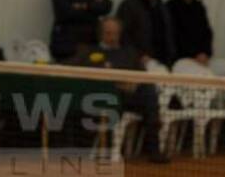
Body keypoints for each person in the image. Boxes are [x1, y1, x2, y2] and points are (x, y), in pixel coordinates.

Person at [72, 17, 169, 163]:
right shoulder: (90, 53)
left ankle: (153, 149)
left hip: (133, 97)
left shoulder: (129, 52)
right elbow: (87, 77)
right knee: (147, 99)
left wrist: (134, 83)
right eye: (108, 33)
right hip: (106, 97)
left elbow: (142, 74)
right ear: (101, 34)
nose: (112, 37)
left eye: (115, 33)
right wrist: (117, 84)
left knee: (149, 92)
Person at [116, 0, 176, 67]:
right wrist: (139, 56)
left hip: (164, 61)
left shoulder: (163, 8)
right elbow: (123, 35)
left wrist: (171, 56)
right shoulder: (128, 5)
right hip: (138, 61)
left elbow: (169, 34)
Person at [166, 0, 213, 65]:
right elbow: (173, 36)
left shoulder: (199, 7)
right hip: (180, 58)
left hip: (202, 56)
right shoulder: (170, 7)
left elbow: (207, 32)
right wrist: (195, 55)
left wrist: (205, 53)